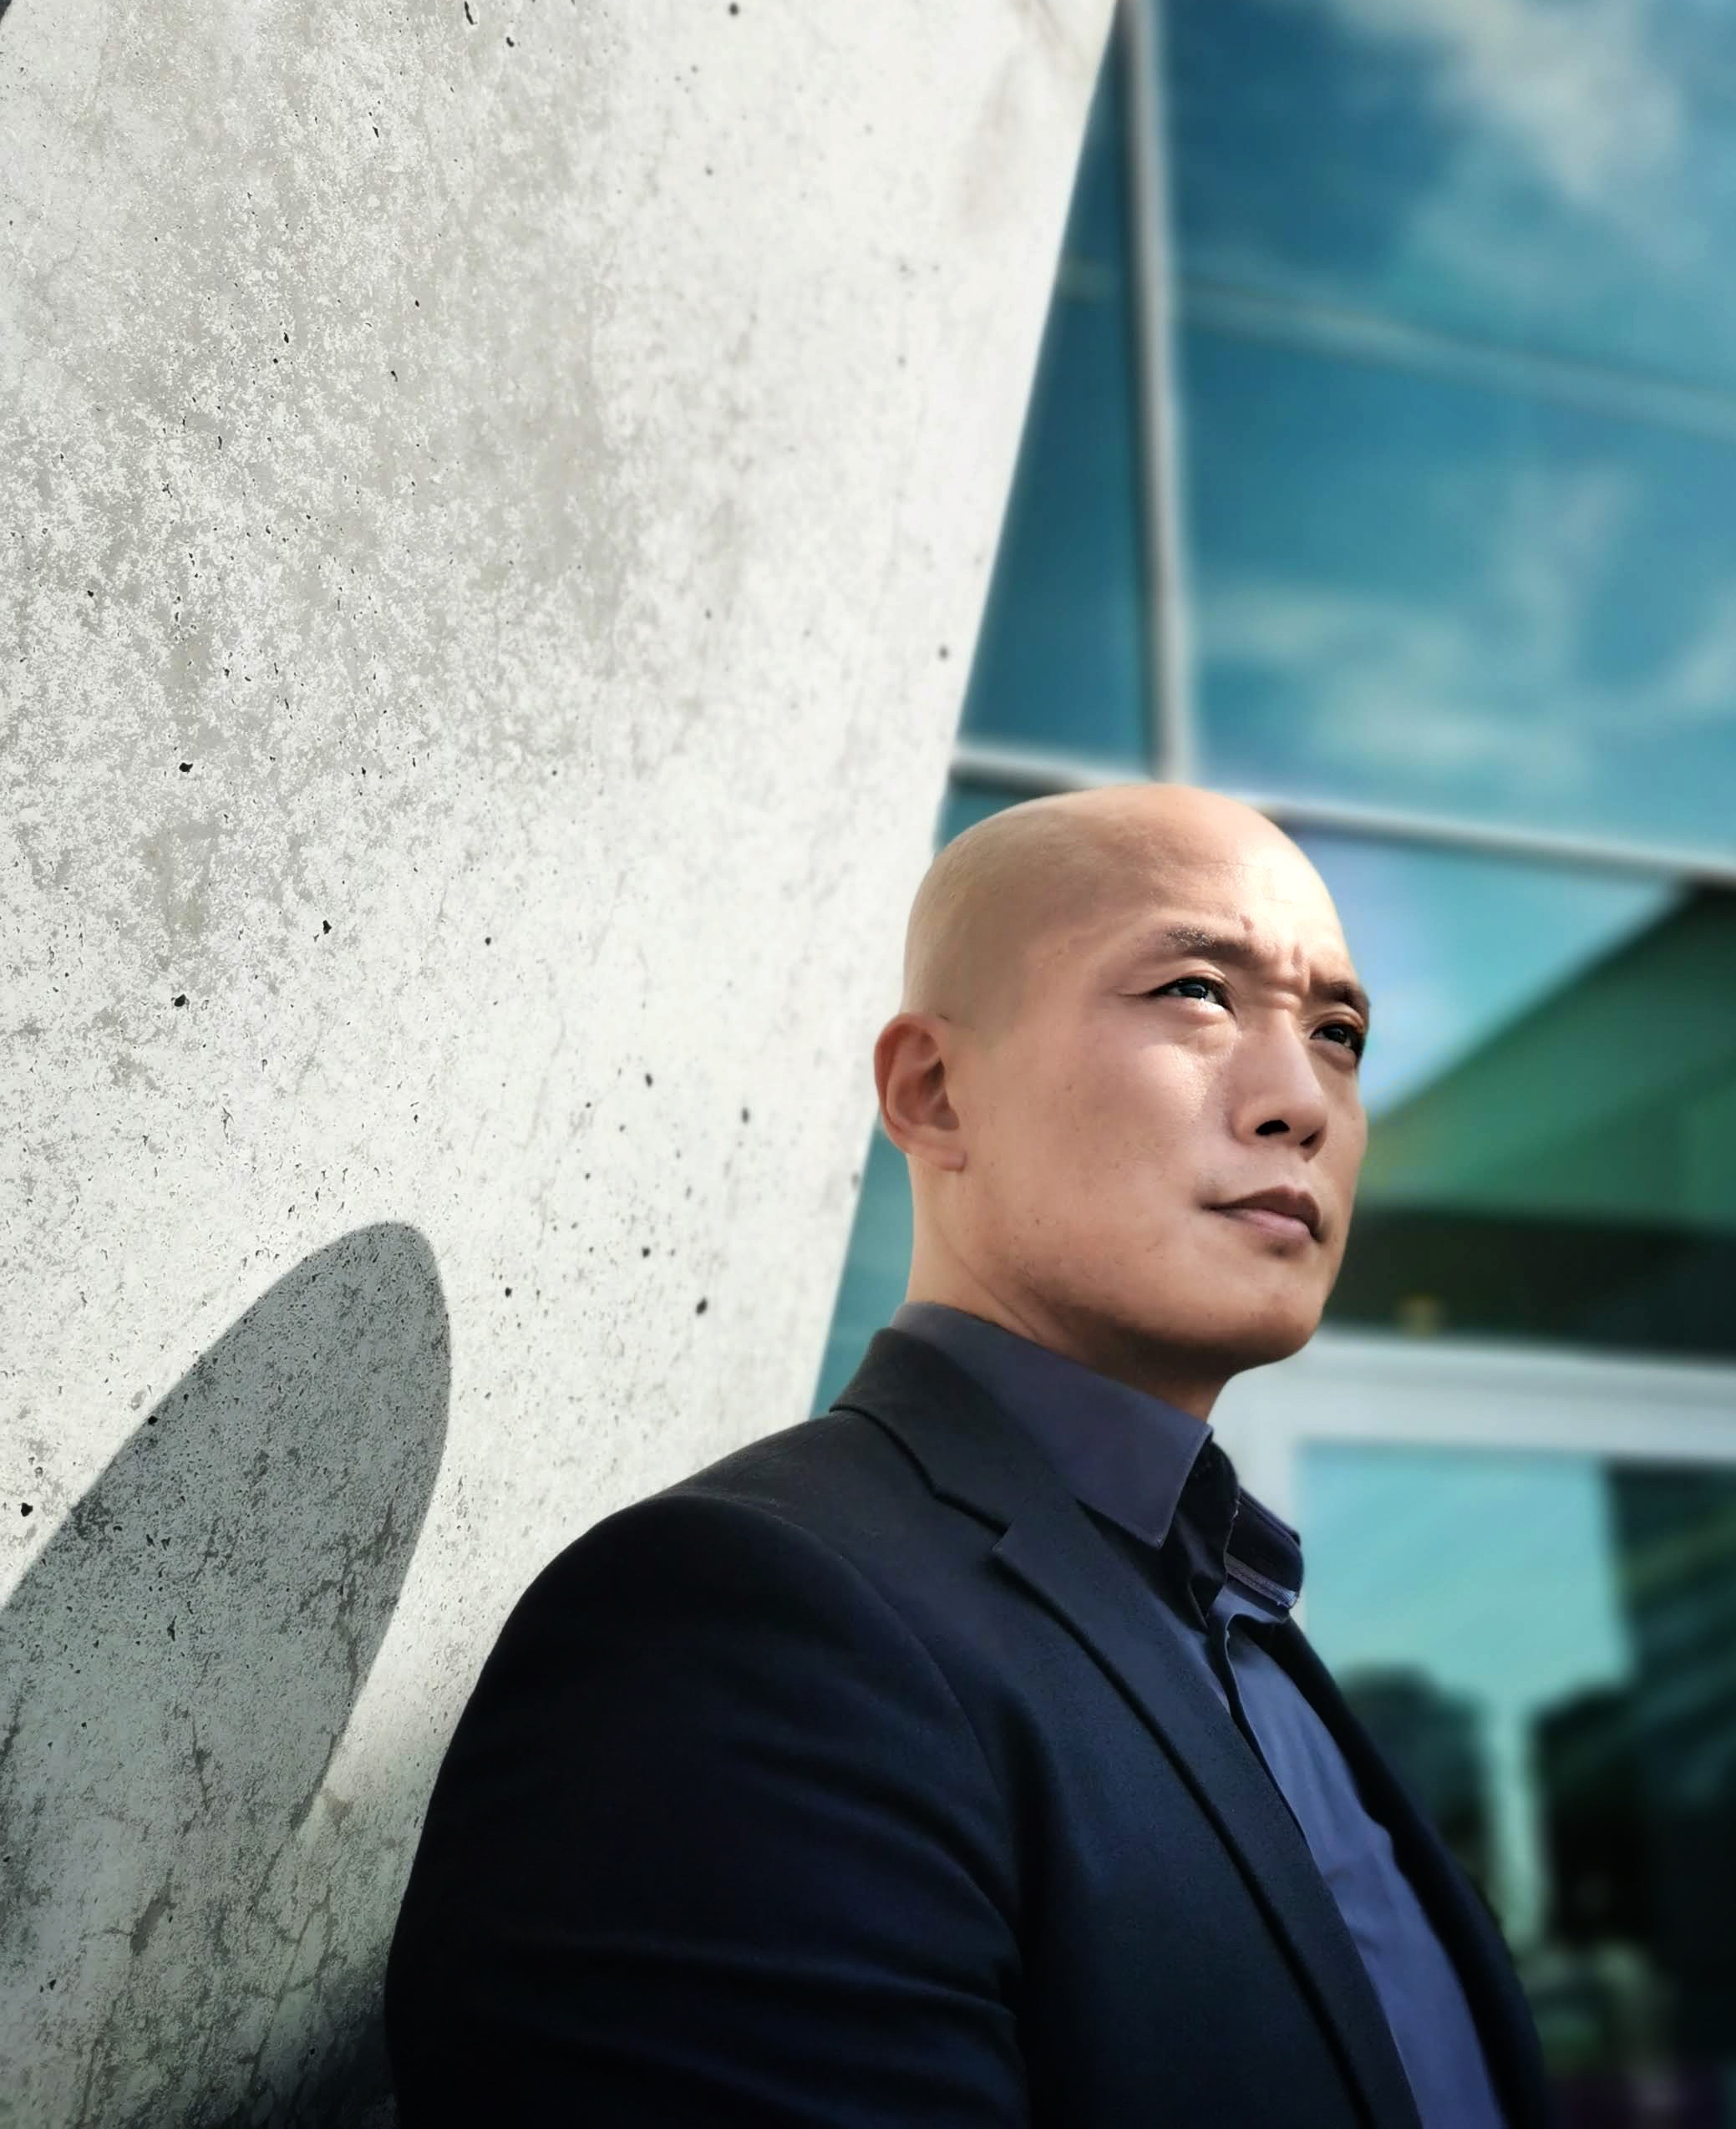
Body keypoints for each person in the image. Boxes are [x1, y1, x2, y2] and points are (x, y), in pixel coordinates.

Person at [385, 784, 1546, 2127]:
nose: (1304, 1100)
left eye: (1339, 1034)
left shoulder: (1248, 1630)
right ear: (935, 1093)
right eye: (1195, 992)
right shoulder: (741, 1627)